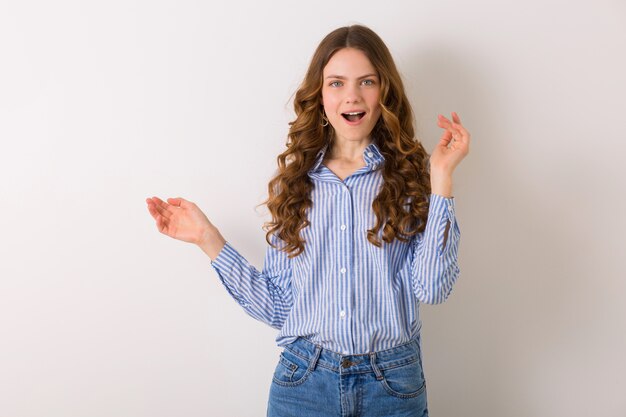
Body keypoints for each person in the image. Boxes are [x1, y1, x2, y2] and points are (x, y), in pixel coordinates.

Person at [146, 24, 470, 417]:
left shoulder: (410, 177)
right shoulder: (295, 185)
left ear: (384, 90)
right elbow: (279, 308)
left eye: (366, 81)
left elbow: (432, 288)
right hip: (305, 384)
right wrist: (208, 238)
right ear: (319, 94)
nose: (351, 95)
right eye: (336, 83)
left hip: (392, 384)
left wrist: (441, 180)